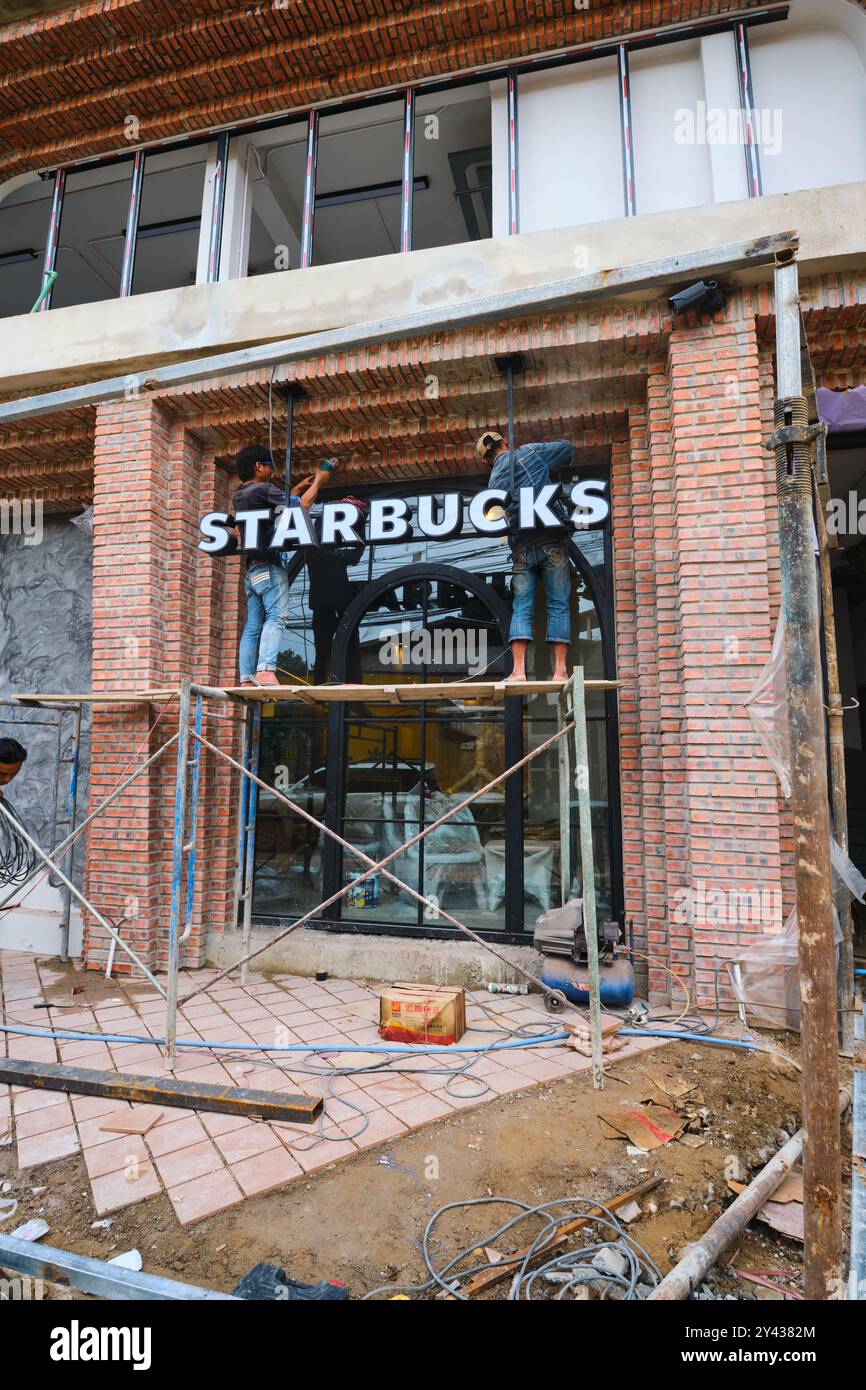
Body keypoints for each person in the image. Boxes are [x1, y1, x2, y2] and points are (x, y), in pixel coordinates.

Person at [477, 430, 576, 683]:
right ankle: (560, 672)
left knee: (522, 608)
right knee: (558, 605)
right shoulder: (530, 452)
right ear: (506, 442)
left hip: (521, 546)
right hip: (551, 541)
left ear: (487, 460)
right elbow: (566, 447)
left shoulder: (493, 481)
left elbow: (496, 517)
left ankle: (519, 672)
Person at [232, 444, 329, 687]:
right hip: (270, 568)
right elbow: (300, 508)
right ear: (258, 466)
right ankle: (265, 670)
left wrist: (295, 489)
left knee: (253, 625)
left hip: (252, 572)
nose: (273, 472)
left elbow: (274, 509)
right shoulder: (265, 489)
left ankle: (246, 678)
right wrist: (319, 480)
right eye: (269, 467)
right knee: (275, 618)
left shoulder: (240, 495)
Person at [305, 496, 367, 684]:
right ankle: (321, 693)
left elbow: (355, 554)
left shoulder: (326, 542)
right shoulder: (316, 542)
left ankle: (352, 691)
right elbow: (354, 554)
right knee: (324, 651)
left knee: (349, 650)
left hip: (338, 602)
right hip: (325, 603)